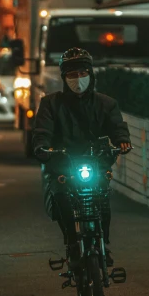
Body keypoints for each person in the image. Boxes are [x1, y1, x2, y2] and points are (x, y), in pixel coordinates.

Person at [33, 47, 132, 267]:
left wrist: (121, 141)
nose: (78, 79)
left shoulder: (106, 103)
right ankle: (71, 244)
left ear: (91, 74)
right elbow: (42, 132)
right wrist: (42, 147)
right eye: (72, 74)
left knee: (103, 200)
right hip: (62, 164)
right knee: (61, 199)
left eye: (82, 73)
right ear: (63, 77)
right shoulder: (51, 104)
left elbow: (117, 126)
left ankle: (103, 245)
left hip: (95, 161)